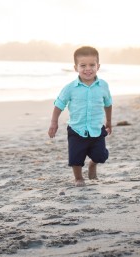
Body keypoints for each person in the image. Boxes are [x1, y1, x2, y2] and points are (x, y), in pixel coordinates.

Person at [48, 46, 113, 187]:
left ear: (98, 66)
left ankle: (92, 165)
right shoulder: (70, 88)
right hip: (76, 129)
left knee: (100, 156)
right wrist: (54, 122)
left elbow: (108, 104)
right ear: (75, 67)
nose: (87, 69)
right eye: (83, 65)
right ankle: (78, 178)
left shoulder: (103, 86)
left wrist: (108, 121)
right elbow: (59, 104)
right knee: (75, 157)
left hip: (96, 128)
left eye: (92, 65)